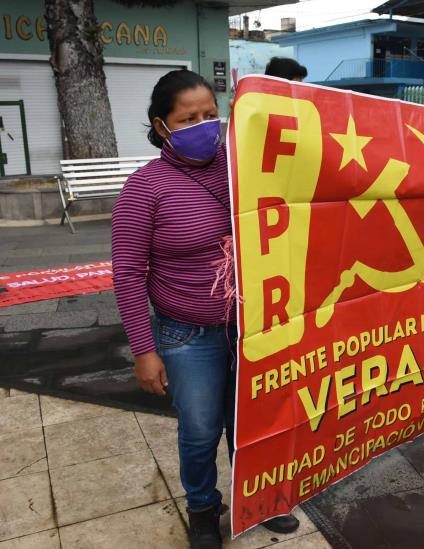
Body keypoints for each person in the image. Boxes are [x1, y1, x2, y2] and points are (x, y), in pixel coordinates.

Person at [112, 69, 299, 549]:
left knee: (253, 424)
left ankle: (255, 498)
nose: (203, 125)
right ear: (161, 126)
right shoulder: (144, 190)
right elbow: (129, 274)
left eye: (210, 116)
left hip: (252, 328)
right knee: (199, 432)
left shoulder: (240, 168)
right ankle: (202, 510)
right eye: (188, 118)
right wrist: (144, 350)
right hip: (186, 335)